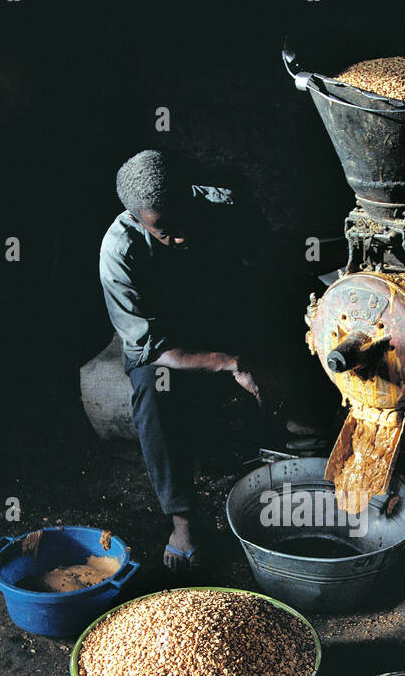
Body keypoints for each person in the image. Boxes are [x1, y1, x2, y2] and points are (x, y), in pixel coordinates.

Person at [99, 149, 322, 571]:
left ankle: (305, 441)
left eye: (184, 218)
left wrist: (274, 344)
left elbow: (272, 274)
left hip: (225, 317)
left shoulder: (226, 207)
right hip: (171, 345)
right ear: (136, 218)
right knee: (152, 388)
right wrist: (231, 363)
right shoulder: (119, 252)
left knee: (298, 306)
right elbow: (150, 346)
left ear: (191, 194)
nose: (180, 236)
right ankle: (183, 521)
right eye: (163, 231)